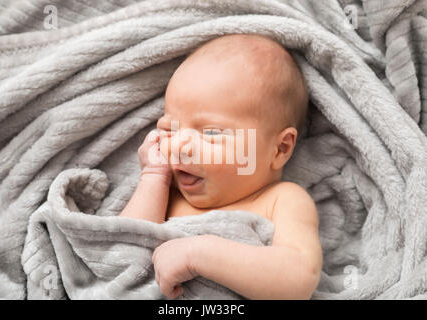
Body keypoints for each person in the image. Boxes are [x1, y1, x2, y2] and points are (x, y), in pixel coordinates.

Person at [120, 34, 322, 300]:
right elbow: (120, 252)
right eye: (170, 129)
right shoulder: (166, 193)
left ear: (280, 148)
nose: (180, 145)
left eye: (211, 134)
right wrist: (152, 176)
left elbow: (299, 279)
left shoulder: (282, 200)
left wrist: (199, 254)